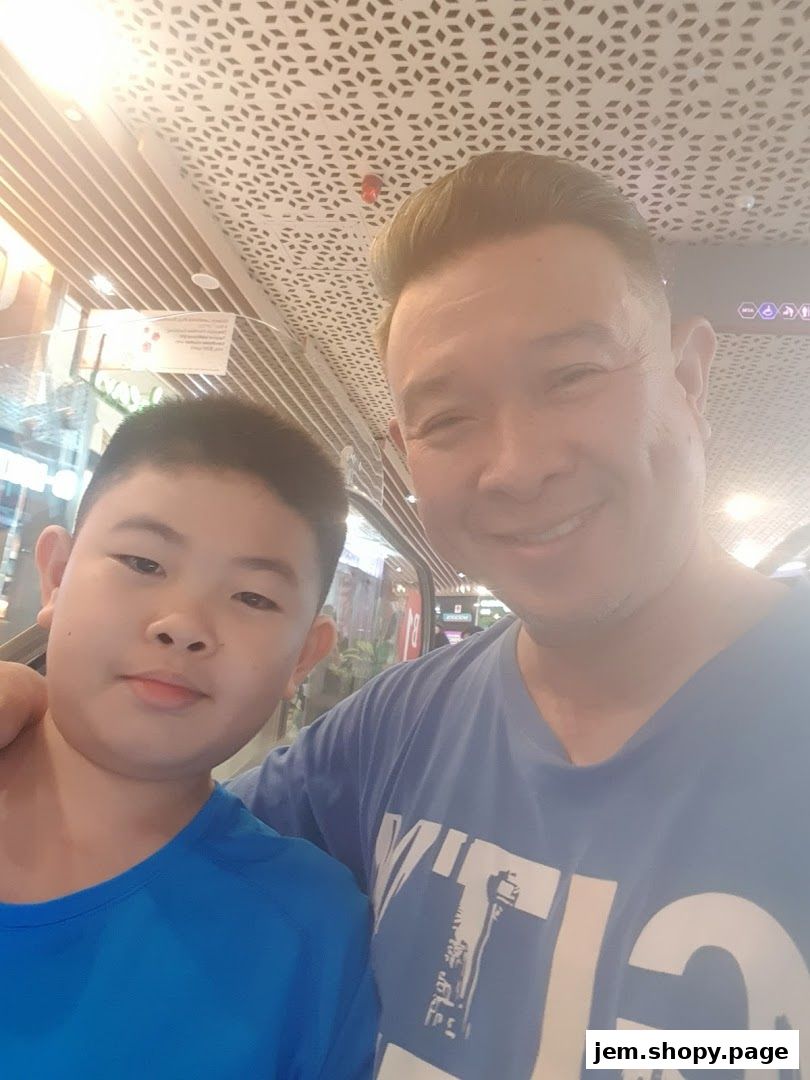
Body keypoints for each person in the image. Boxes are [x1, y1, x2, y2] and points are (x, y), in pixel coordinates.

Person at [2, 152, 809, 1079]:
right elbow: (154, 832)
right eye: (448, 417)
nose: (517, 465)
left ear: (689, 376)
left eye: (572, 375)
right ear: (405, 453)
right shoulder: (399, 733)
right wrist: (30, 707)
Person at [0, 397, 377, 1079]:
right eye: (143, 563)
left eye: (254, 598)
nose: (184, 624)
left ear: (304, 656)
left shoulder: (309, 935)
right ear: (55, 573)